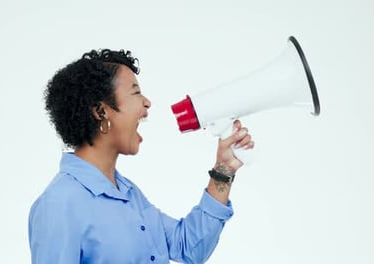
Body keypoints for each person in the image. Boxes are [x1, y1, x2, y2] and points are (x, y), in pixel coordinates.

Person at [28, 49, 254, 263]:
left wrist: (224, 168)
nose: (147, 102)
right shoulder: (59, 204)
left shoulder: (128, 194)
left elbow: (188, 248)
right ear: (101, 111)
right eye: (135, 92)